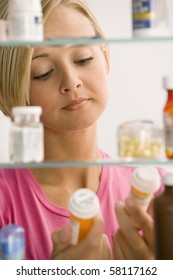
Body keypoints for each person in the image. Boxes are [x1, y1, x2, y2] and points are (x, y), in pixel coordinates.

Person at [0, 0, 165, 260]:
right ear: (15, 88)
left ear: (106, 57)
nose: (71, 82)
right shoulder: (4, 202)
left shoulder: (157, 190)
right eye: (42, 72)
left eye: (83, 58)